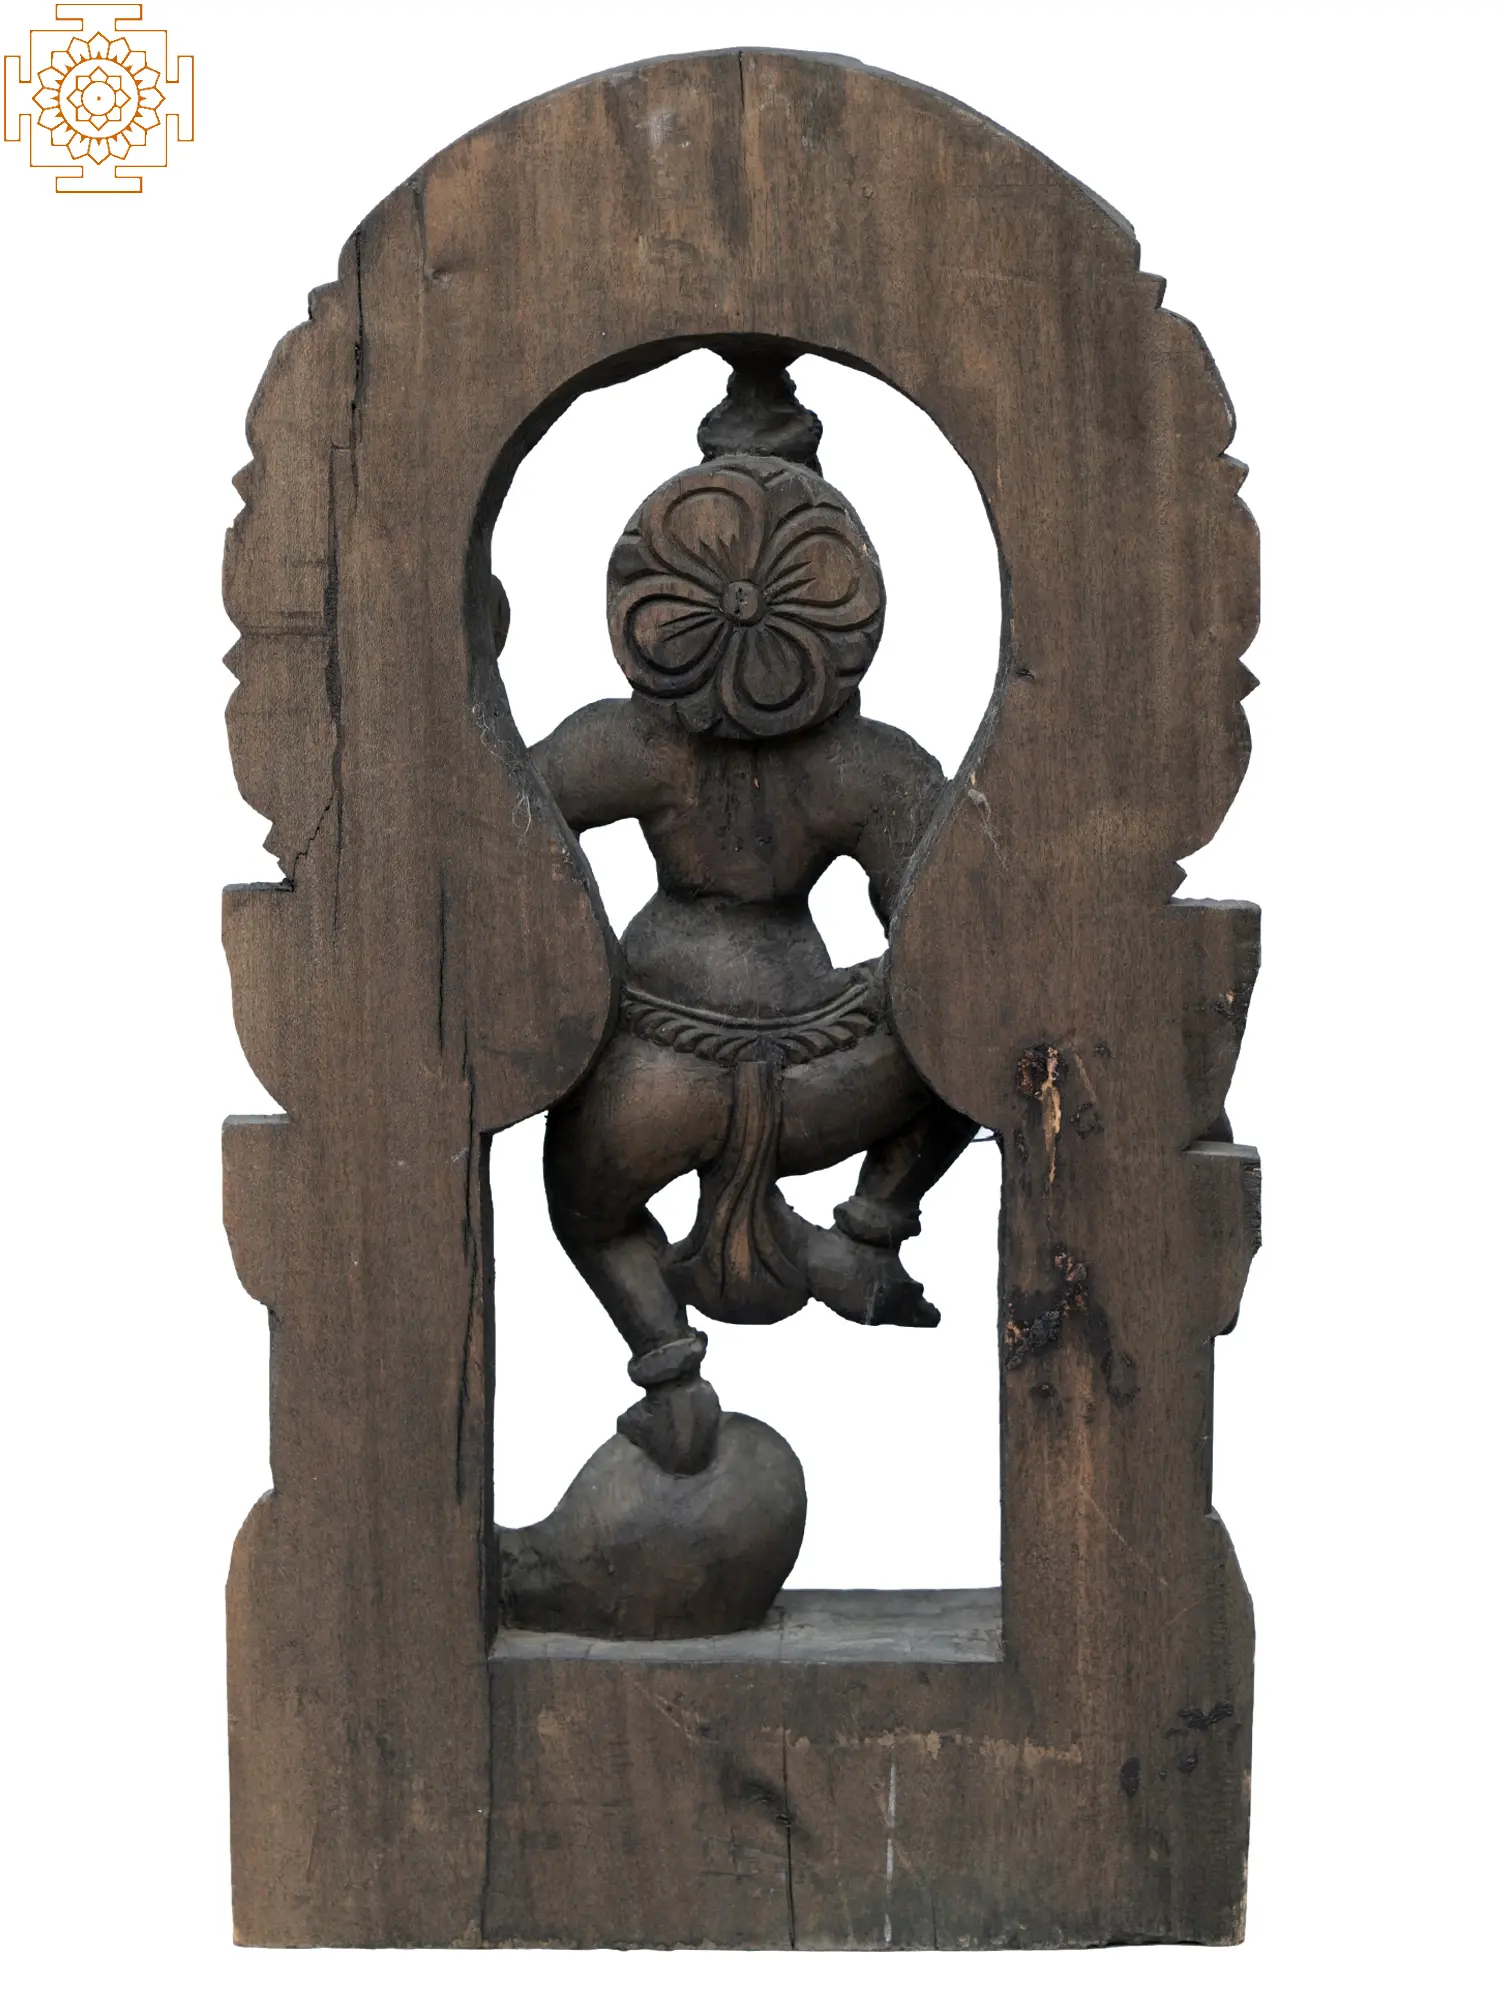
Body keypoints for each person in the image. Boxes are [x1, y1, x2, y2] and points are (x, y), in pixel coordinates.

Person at [528, 362, 975, 1473]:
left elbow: (499, 849)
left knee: (590, 1213)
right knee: (971, 1033)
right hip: (829, 1074)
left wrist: (583, 985)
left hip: (651, 1074)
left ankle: (668, 1366)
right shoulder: (873, 768)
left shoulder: (623, 742)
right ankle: (864, 1233)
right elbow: (954, 945)